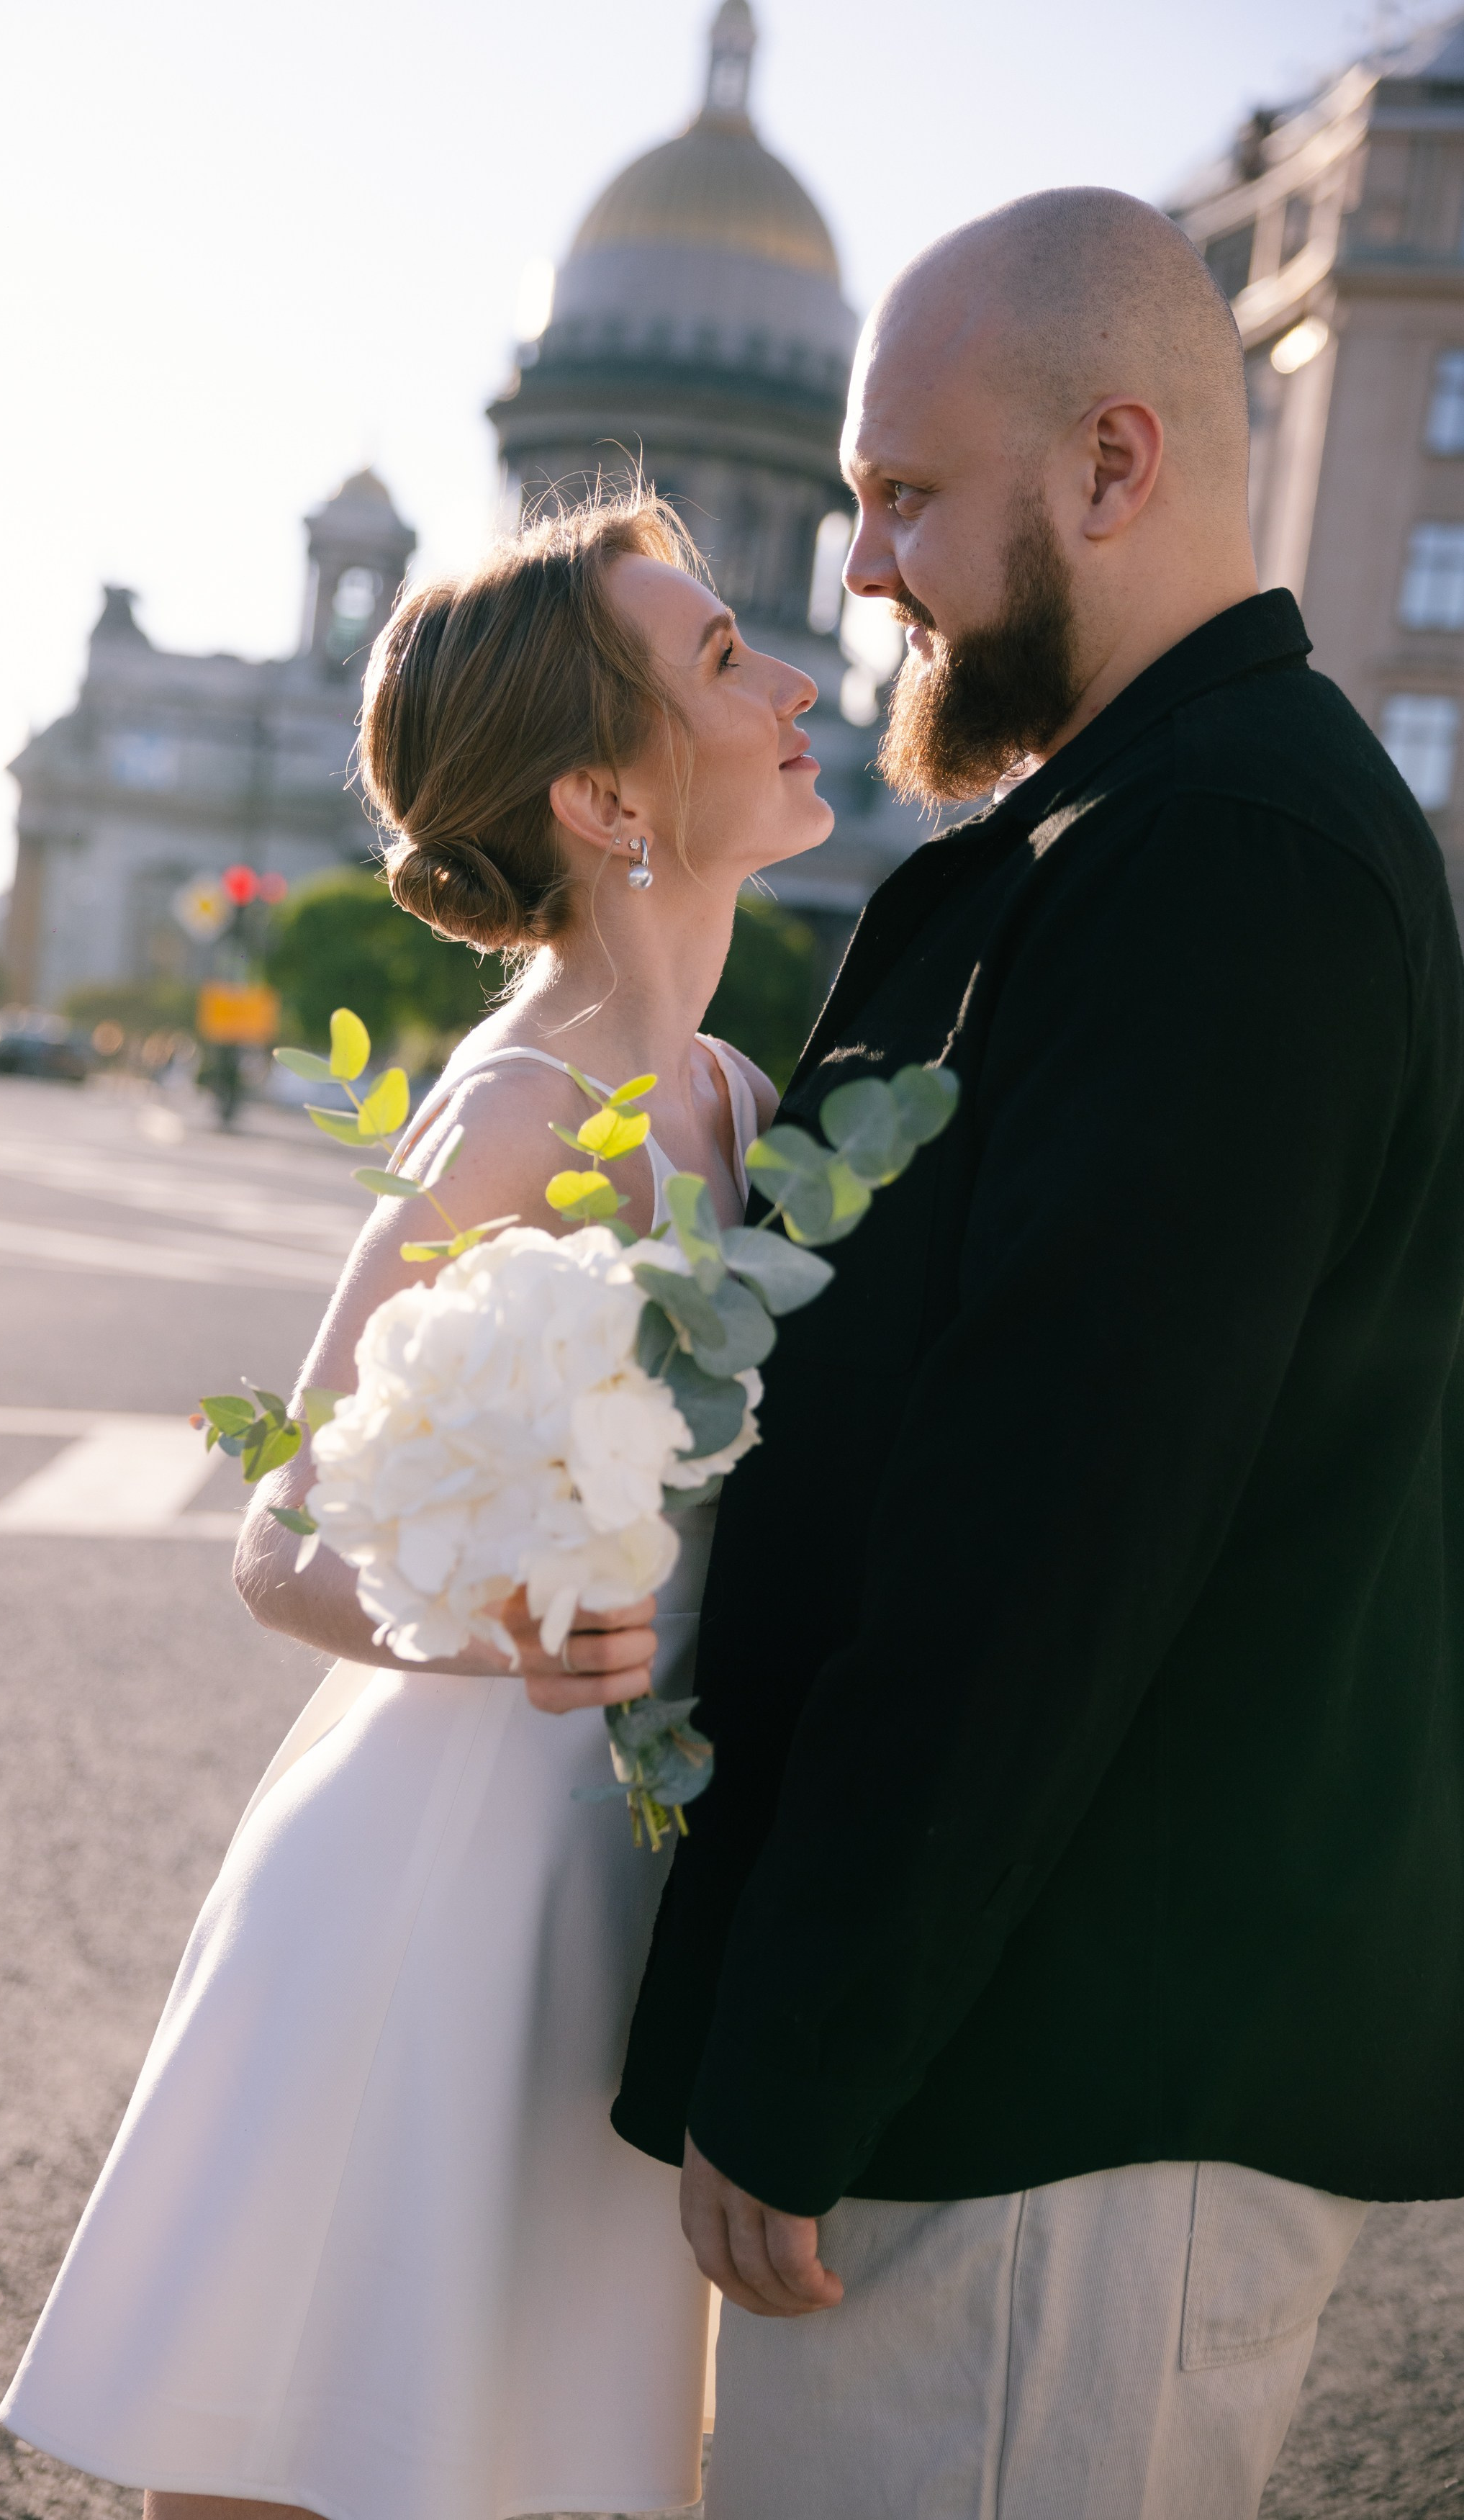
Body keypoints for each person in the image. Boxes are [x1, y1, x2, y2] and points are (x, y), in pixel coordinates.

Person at [612, 186, 1464, 2520]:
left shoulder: (1224, 859)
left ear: (1113, 464)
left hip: (1060, 2096)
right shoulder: (1144, 826)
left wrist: (808, 2046)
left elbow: (1056, 1522)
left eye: (905, 496)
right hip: (1025, 2072)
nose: (862, 565)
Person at [0, 492, 833, 2520]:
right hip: (446, 1889)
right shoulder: (523, 1104)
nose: (799, 678)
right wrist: (503, 1622)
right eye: (725, 659)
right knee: (325, 2454)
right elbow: (278, 1534)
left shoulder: (735, 1096)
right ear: (603, 793)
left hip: (622, 1896)